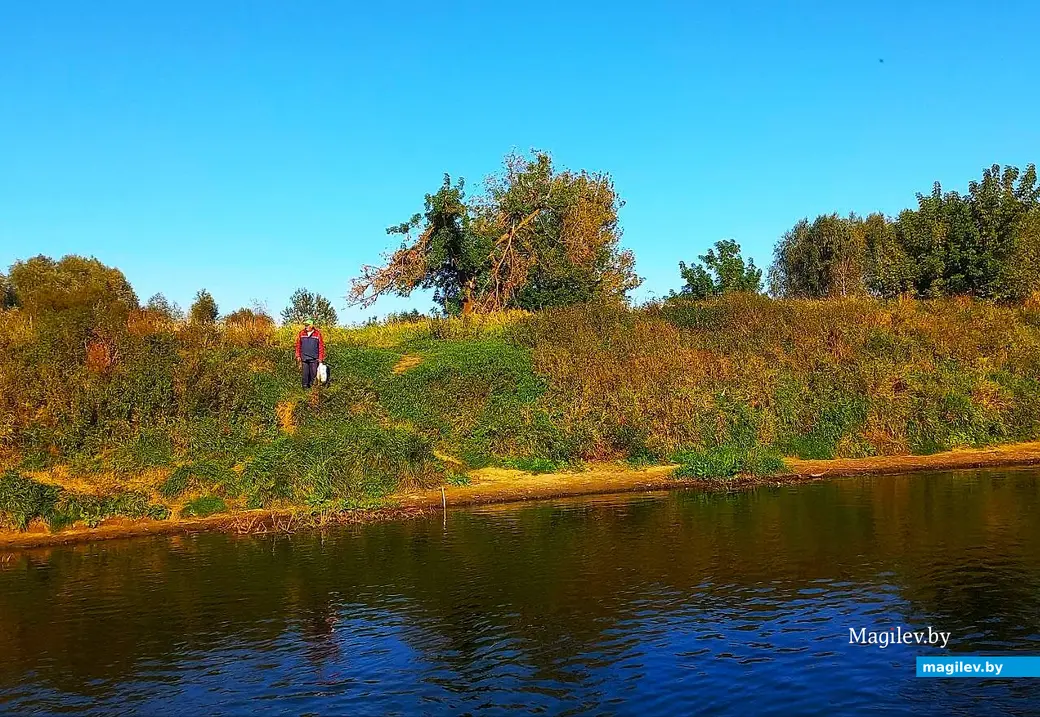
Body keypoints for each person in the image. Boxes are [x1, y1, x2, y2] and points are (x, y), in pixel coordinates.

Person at [295, 317, 325, 389]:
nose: (306, 326)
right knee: (305, 374)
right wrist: (298, 355)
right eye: (305, 325)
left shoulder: (317, 334)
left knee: (313, 374)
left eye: (307, 325)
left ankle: (313, 389)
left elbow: (321, 346)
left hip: (314, 358)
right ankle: (305, 388)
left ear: (312, 326)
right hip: (304, 358)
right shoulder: (301, 333)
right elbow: (298, 345)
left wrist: (320, 358)